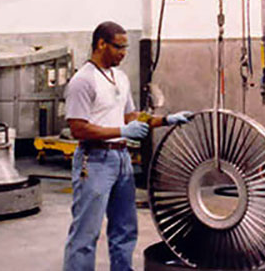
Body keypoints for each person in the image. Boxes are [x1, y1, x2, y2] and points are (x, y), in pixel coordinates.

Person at [63, 21, 192, 271]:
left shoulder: (119, 78)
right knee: (86, 234)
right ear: (101, 44)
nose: (123, 53)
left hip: (121, 161)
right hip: (95, 161)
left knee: (125, 229)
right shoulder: (83, 81)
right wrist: (122, 131)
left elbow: (131, 117)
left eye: (126, 48)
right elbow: (78, 128)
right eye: (118, 47)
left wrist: (165, 120)